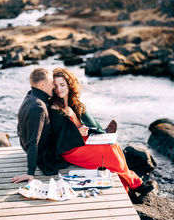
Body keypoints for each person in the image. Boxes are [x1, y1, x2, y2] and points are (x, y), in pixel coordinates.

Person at [49, 67, 154, 195]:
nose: (59, 89)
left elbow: (78, 125)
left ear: (69, 85)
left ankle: (128, 186)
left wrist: (78, 122)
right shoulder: (55, 107)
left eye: (62, 85)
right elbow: (59, 136)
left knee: (113, 145)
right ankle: (135, 184)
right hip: (70, 148)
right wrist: (78, 131)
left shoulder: (72, 102)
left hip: (79, 140)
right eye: (55, 86)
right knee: (107, 152)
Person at [11, 67, 54, 183]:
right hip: (42, 154)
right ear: (42, 85)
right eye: (52, 83)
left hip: (24, 145)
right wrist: (30, 172)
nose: (54, 87)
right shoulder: (38, 107)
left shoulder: (30, 96)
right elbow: (33, 141)